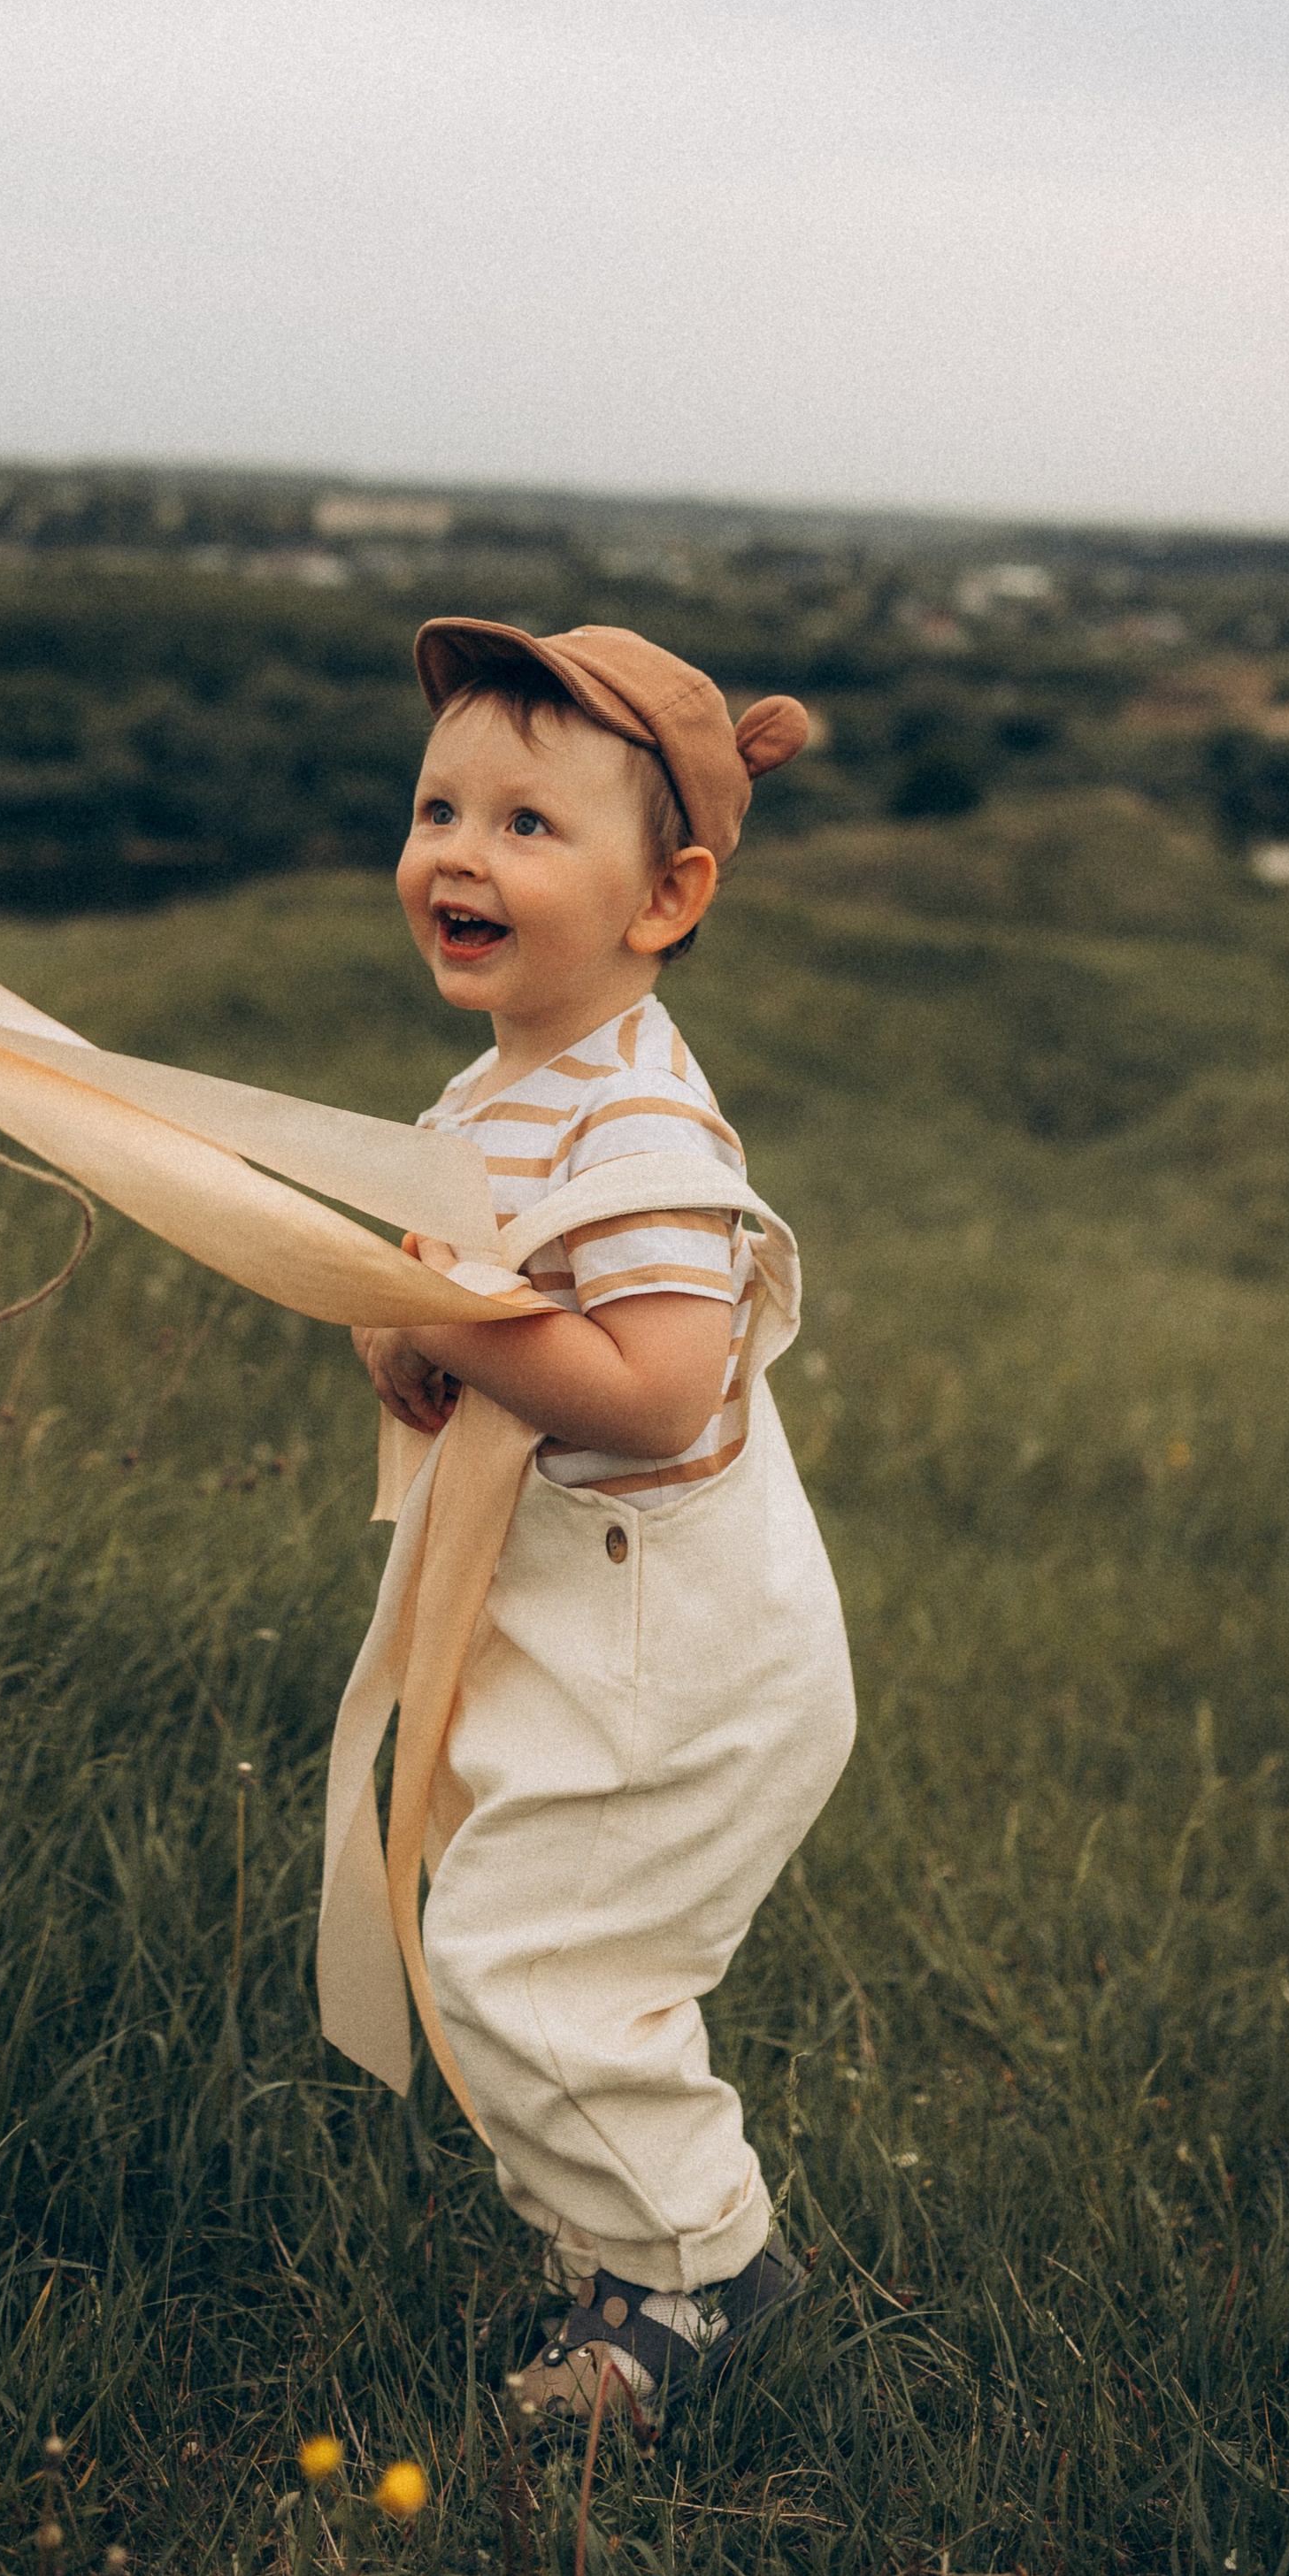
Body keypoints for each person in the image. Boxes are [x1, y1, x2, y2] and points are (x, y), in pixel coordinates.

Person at [342, 618, 855, 2426]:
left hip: (682, 1665)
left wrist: (449, 1323)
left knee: (523, 1958)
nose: (458, 853)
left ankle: (698, 2282)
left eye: (526, 824)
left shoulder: (638, 1127)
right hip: (600, 1640)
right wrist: (406, 1340)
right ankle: (630, 2251)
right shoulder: (501, 1088)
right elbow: (468, 1327)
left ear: (665, 895)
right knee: (514, 1942)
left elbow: (650, 1385)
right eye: (436, 807)